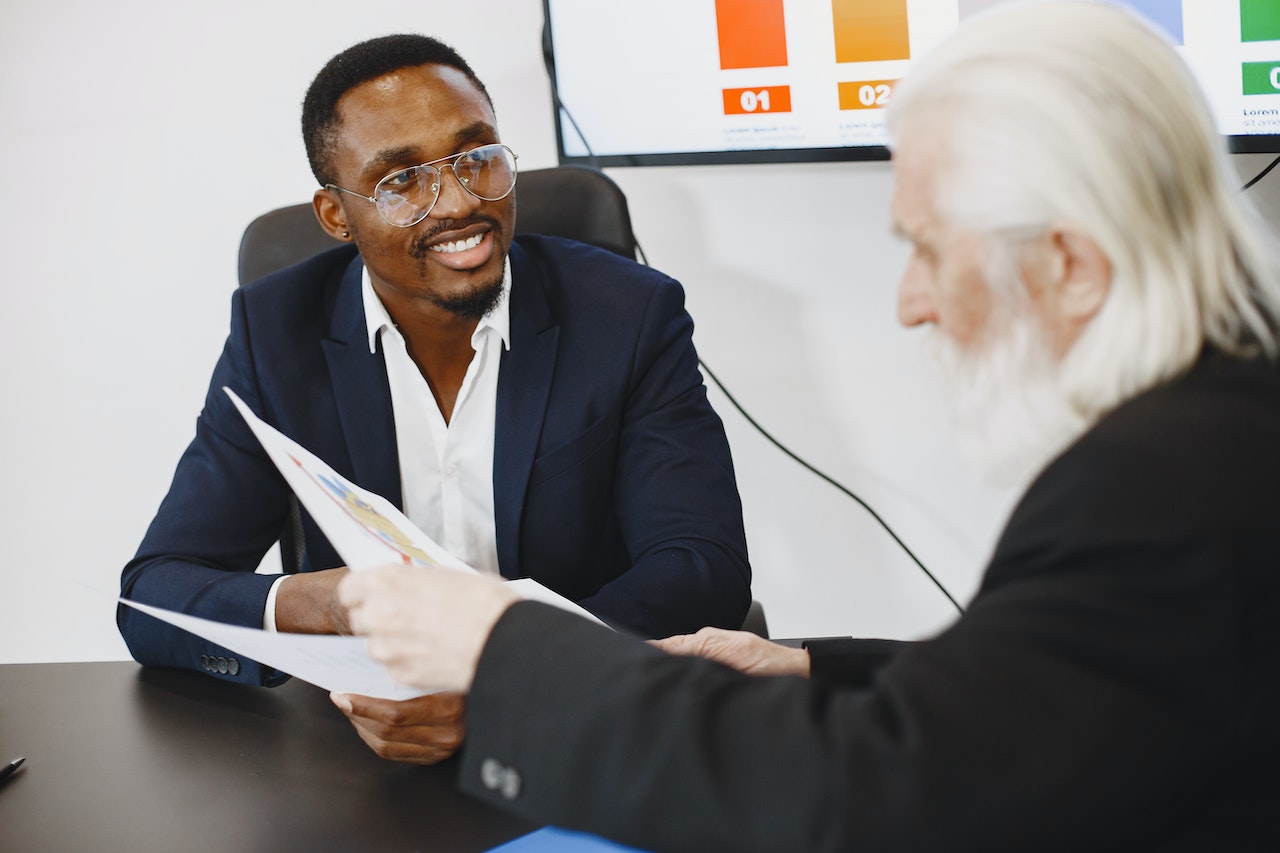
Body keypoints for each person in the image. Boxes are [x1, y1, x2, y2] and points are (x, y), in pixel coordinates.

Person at [337, 3, 1280, 849]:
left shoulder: (1156, 491)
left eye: (926, 249)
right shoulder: (1224, 421)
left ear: (1070, 262)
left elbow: (874, 799)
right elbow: (1050, 689)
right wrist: (805, 666)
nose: (911, 304)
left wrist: (502, 645)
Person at [117, 34, 751, 765]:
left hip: (583, 733)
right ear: (334, 214)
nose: (457, 202)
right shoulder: (275, 332)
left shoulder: (628, 313)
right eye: (401, 181)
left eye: (476, 157)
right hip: (364, 753)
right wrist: (317, 604)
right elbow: (156, 594)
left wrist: (505, 671)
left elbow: (702, 567)